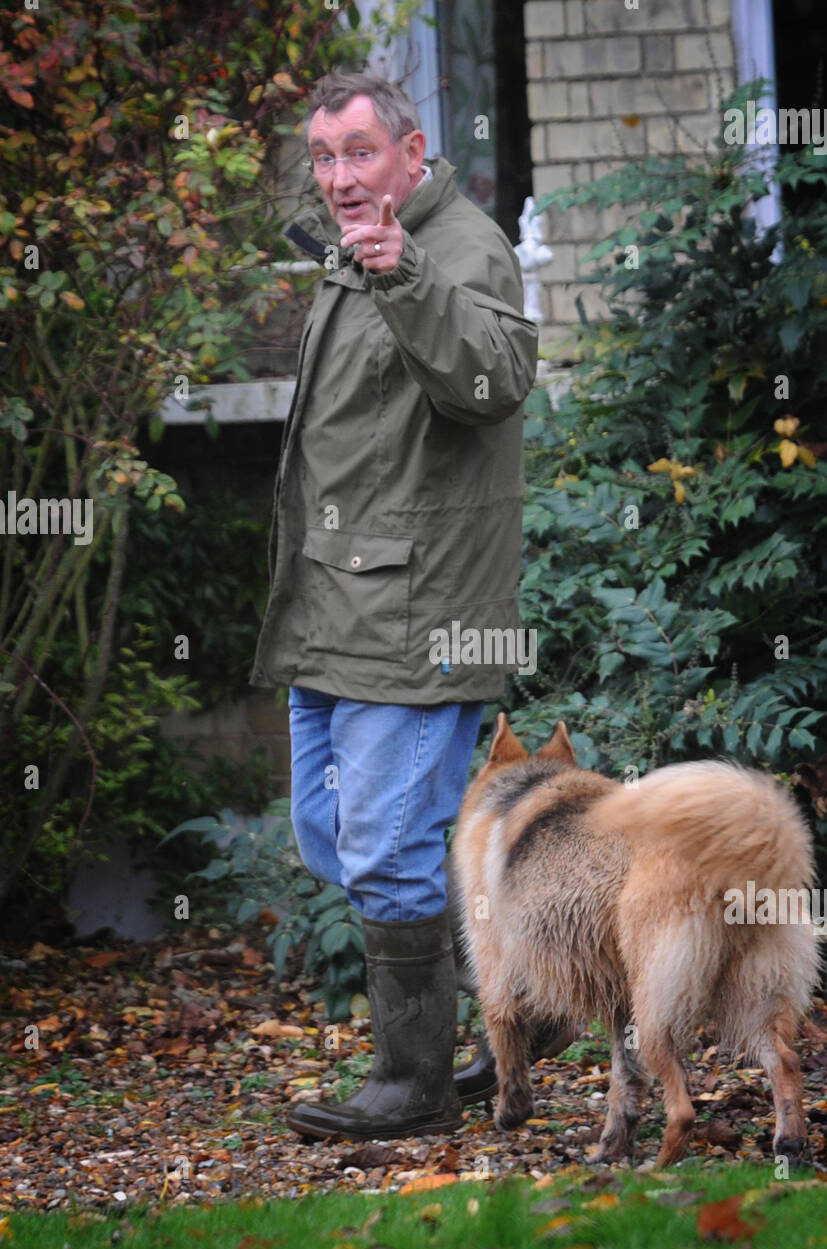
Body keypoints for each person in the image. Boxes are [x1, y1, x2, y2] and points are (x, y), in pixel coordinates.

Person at [249, 71, 539, 1139]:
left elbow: (495, 382)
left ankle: (414, 1083)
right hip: (333, 607)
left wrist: (408, 276)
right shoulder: (351, 252)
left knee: (383, 845)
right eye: (323, 158)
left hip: (422, 611)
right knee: (333, 836)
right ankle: (532, 991)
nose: (337, 178)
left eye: (358, 154)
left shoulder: (459, 248)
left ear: (412, 154)